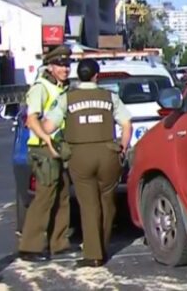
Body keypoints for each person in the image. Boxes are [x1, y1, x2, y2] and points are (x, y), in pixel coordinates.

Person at [43, 58, 132, 267]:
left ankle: (93, 254)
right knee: (107, 202)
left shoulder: (67, 98)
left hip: (80, 154)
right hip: (108, 153)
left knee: (89, 205)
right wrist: (122, 147)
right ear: (96, 76)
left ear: (79, 76)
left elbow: (48, 127)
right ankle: (104, 245)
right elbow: (127, 123)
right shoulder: (110, 97)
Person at [17, 45, 74, 262]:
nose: (65, 69)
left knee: (63, 195)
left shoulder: (64, 88)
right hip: (43, 149)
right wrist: (46, 138)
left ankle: (59, 243)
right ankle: (30, 247)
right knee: (45, 197)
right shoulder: (41, 88)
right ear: (50, 66)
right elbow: (31, 119)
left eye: (67, 65)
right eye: (60, 65)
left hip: (60, 147)